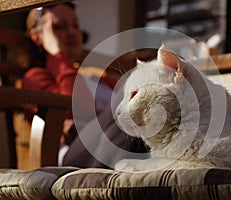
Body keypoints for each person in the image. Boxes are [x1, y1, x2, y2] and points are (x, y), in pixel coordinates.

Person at [23, 2, 147, 168]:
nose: (72, 32)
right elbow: (77, 109)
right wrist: (59, 56)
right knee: (131, 94)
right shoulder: (36, 76)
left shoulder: (93, 75)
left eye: (75, 25)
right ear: (37, 37)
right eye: (59, 27)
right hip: (74, 155)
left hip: (117, 145)